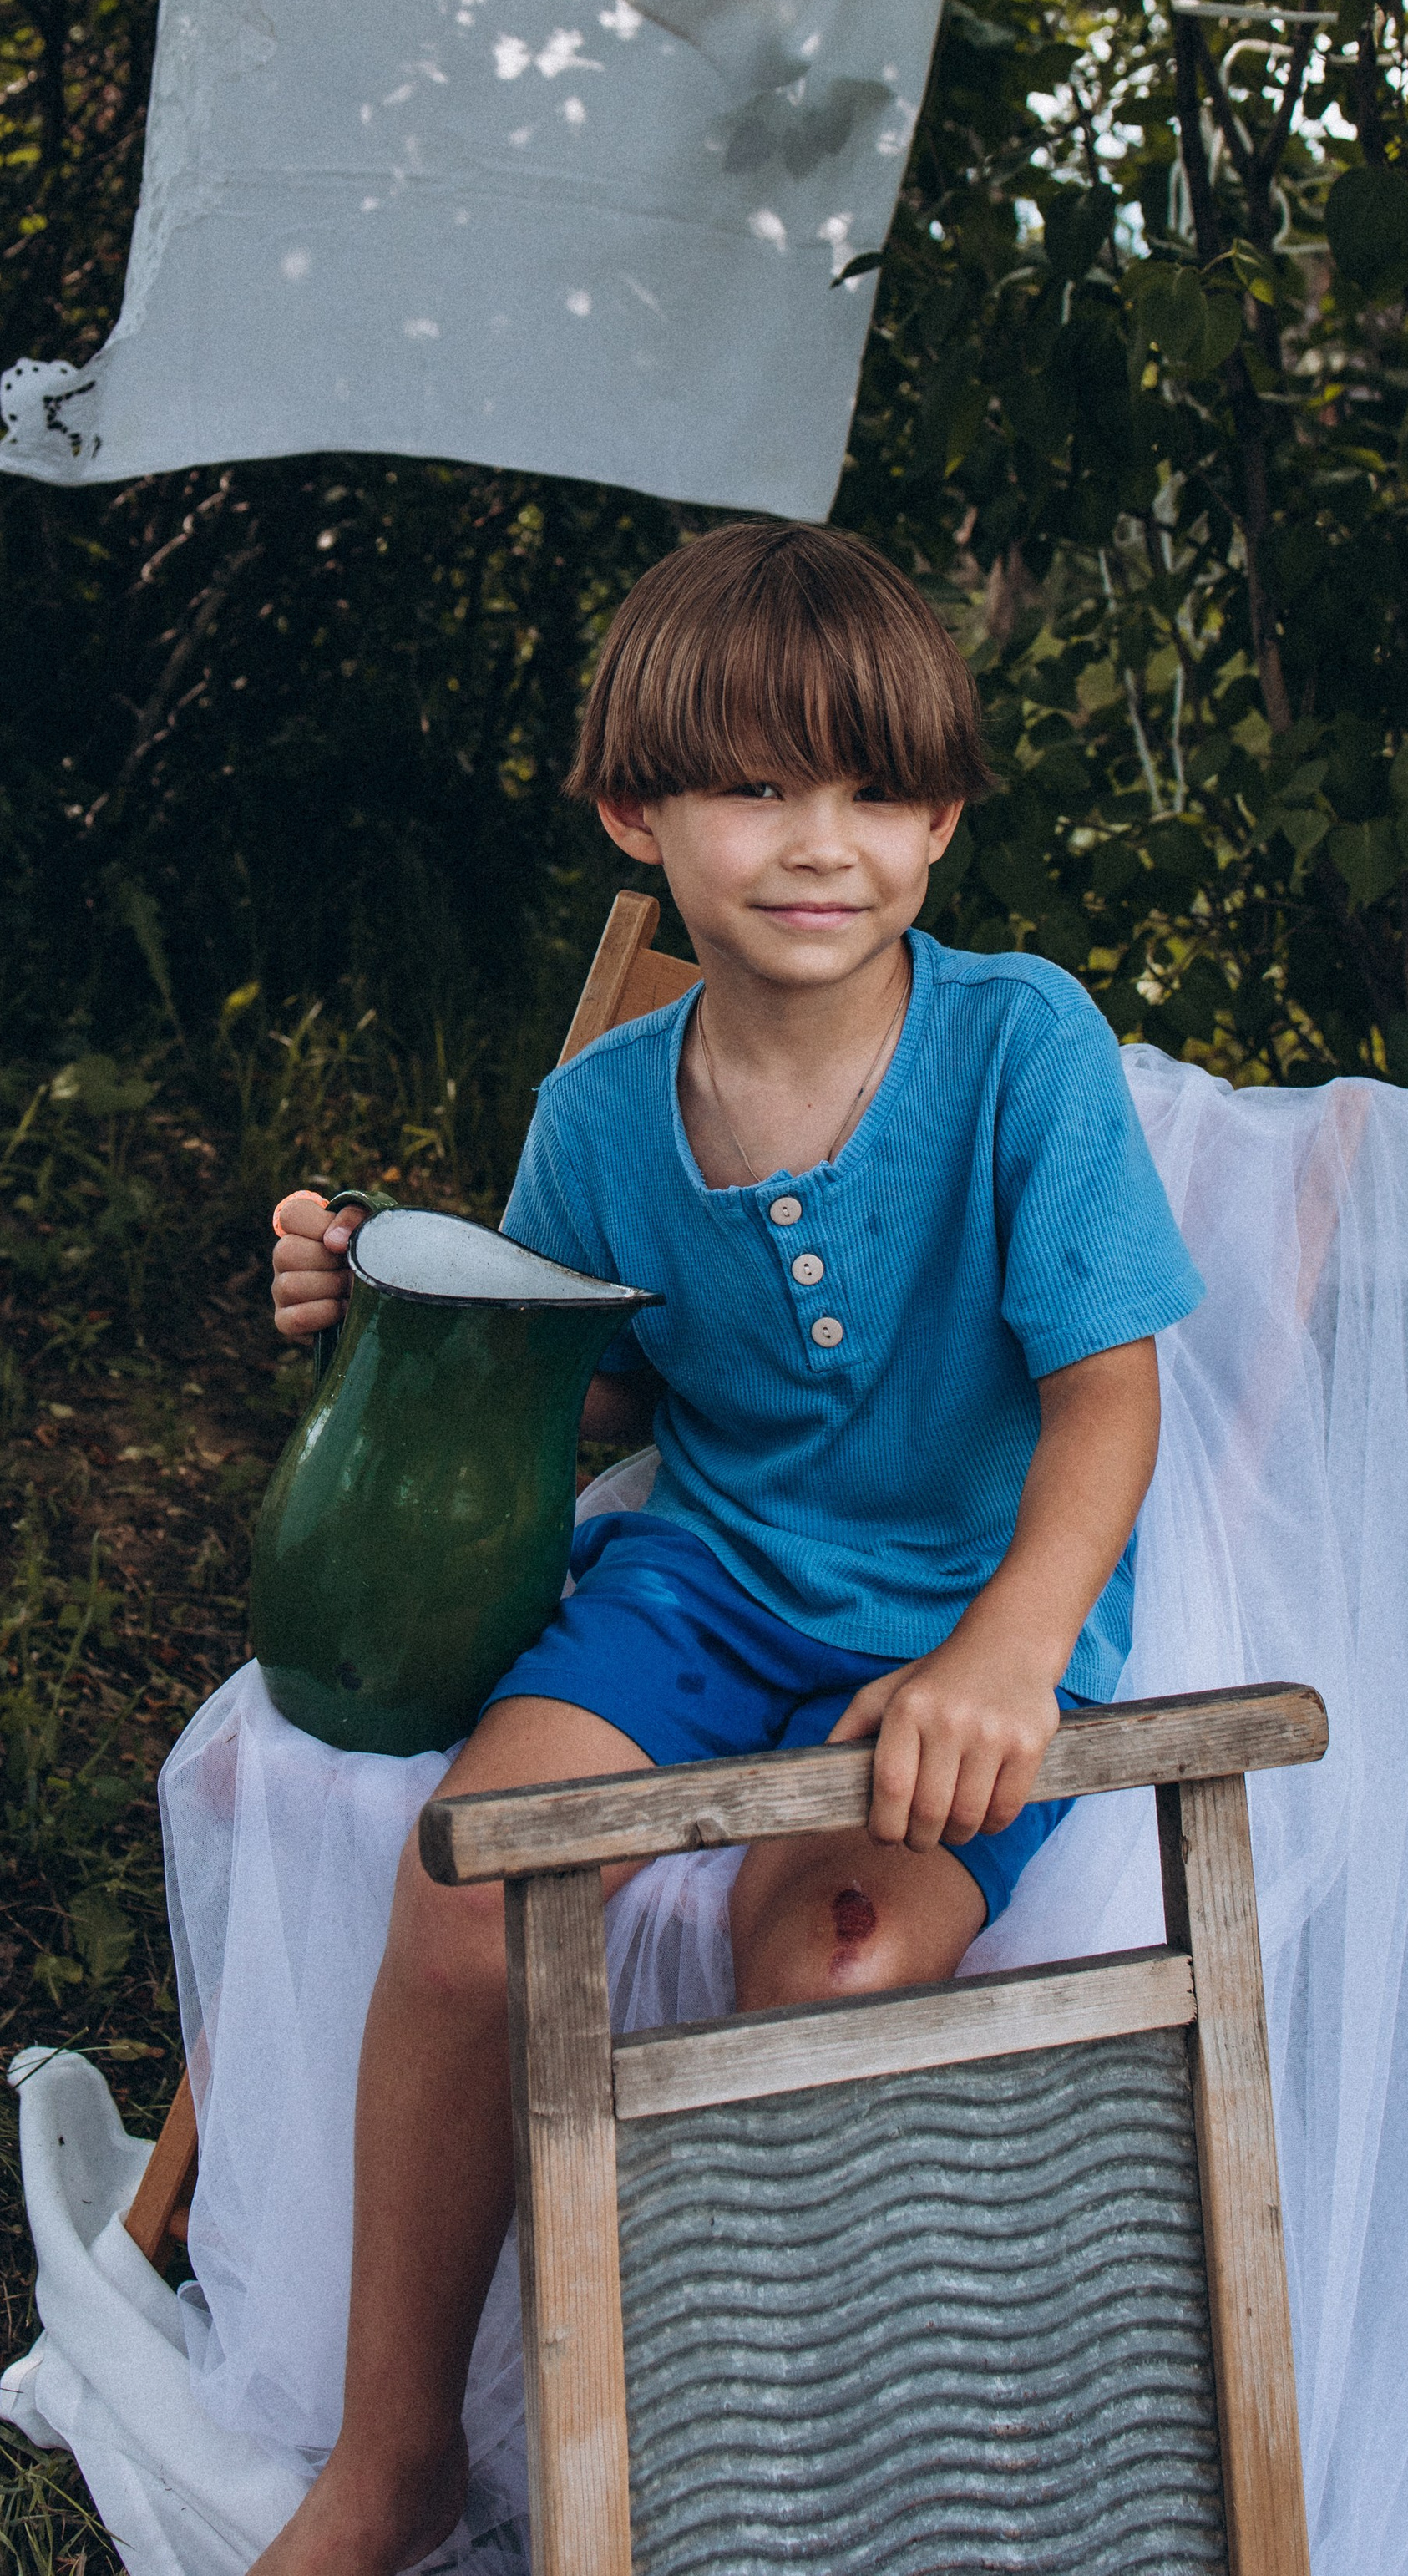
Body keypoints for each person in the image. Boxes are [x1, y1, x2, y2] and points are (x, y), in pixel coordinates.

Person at [256, 520, 1204, 2576]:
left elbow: (1106, 1396)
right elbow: (596, 1403)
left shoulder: (1015, 1040)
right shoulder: (601, 1113)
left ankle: (762, 2484)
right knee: (463, 1901)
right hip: (706, 1577)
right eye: (754, 785)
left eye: (875, 790)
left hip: (961, 1611)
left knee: (838, 1951)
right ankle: (393, 2452)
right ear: (637, 811)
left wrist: (1007, 1655)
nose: (817, 843)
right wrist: (388, 1318)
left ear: (942, 817)